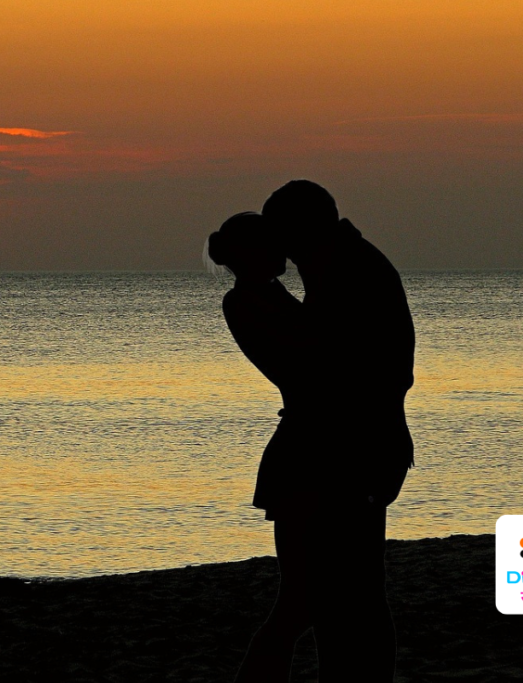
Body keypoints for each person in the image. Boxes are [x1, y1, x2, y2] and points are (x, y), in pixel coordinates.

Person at [258, 179, 415, 682]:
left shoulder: (348, 270)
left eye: (279, 231)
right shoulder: (339, 265)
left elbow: (362, 368)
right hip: (356, 445)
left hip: (354, 448)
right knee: (349, 591)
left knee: (353, 592)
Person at [206, 212, 322, 682]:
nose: (285, 251)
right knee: (301, 598)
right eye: (273, 243)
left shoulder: (269, 295)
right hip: (304, 451)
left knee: (305, 598)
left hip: (306, 444)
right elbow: (304, 356)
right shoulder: (245, 301)